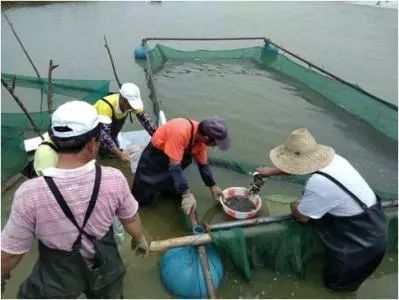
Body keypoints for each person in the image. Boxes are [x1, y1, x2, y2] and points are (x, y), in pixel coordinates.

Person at [1, 101, 149, 298]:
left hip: (57, 278)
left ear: (53, 138)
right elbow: (130, 219)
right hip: (105, 268)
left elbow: (11, 252)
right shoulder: (113, 179)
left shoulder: (30, 193)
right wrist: (140, 239)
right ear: (92, 144)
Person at [256, 128, 387, 291]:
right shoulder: (335, 160)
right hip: (375, 220)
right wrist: (271, 172)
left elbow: (302, 217)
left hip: (363, 244)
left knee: (336, 287)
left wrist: (294, 204)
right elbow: (300, 166)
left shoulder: (319, 183)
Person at [132, 117, 230, 215]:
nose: (214, 146)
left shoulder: (201, 141)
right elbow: (175, 167)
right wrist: (186, 194)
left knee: (170, 186)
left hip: (175, 159)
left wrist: (213, 186)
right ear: (206, 138)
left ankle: (166, 192)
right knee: (142, 196)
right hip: (156, 157)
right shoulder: (180, 132)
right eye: (215, 144)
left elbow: (203, 165)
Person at [94, 82, 157, 163]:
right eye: (130, 105)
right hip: (95, 131)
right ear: (123, 100)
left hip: (112, 132)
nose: (132, 108)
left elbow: (147, 123)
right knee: (102, 149)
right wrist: (119, 154)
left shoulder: (131, 105)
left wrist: (158, 138)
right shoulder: (105, 106)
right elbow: (104, 136)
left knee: (113, 148)